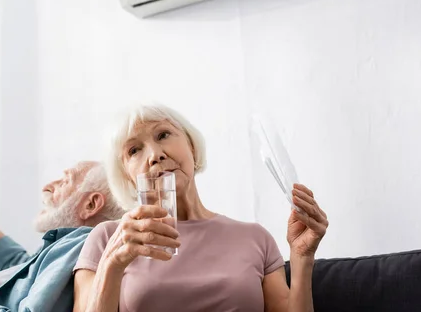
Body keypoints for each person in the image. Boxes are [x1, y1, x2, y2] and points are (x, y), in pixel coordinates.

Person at [73, 105, 329, 312]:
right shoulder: (107, 239)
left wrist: (302, 257)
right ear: (127, 176)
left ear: (192, 148)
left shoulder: (255, 238)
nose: (154, 155)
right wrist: (113, 262)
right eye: (134, 150)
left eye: (163, 135)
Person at [0, 161, 125, 312]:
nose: (47, 187)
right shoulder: (66, 246)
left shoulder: (80, 244)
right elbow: (18, 265)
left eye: (64, 181)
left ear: (90, 205)